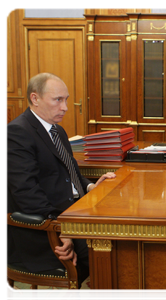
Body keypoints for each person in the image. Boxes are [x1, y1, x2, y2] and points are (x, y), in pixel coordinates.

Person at [5, 73, 116, 284]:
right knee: (107, 253)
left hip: (72, 214)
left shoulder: (57, 131)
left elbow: (70, 171)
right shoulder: (17, 133)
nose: (65, 107)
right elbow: (26, 193)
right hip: (45, 229)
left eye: (65, 99)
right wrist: (61, 231)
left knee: (119, 237)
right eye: (58, 100)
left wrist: (91, 186)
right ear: (35, 99)